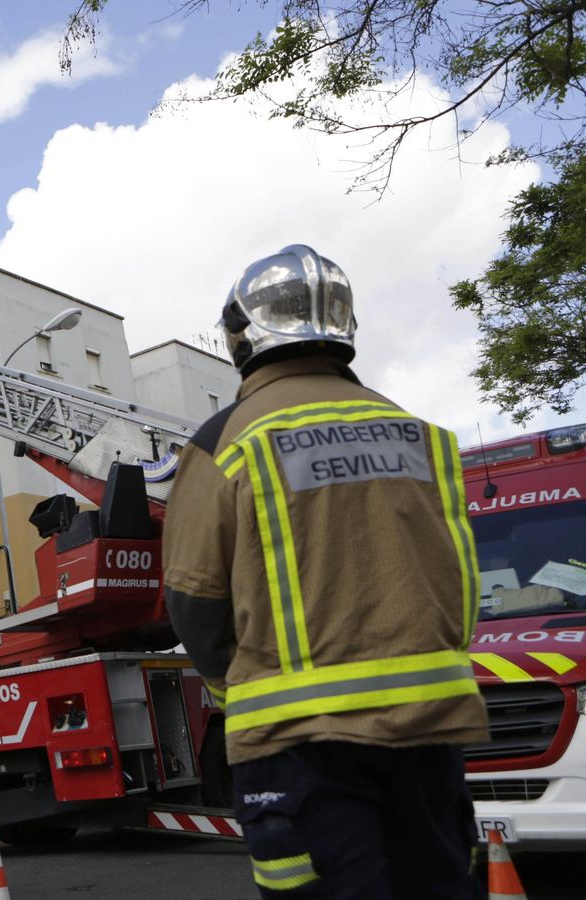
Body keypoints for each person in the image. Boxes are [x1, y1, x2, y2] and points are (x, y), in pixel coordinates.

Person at [162, 245, 489, 898]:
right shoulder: (414, 431)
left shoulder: (225, 439)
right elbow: (460, 581)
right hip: (429, 731)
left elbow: (194, 600)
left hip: (300, 748)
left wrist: (241, 694)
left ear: (240, 335)